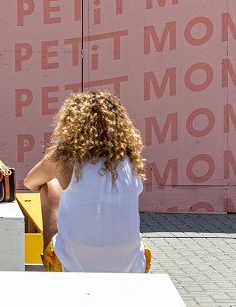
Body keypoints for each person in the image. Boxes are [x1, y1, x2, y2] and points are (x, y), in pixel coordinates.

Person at [22, 92, 150, 273]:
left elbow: (30, 182)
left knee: (49, 187)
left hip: (74, 268)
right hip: (130, 268)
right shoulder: (131, 161)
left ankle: (51, 261)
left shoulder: (63, 158)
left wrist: (60, 181)